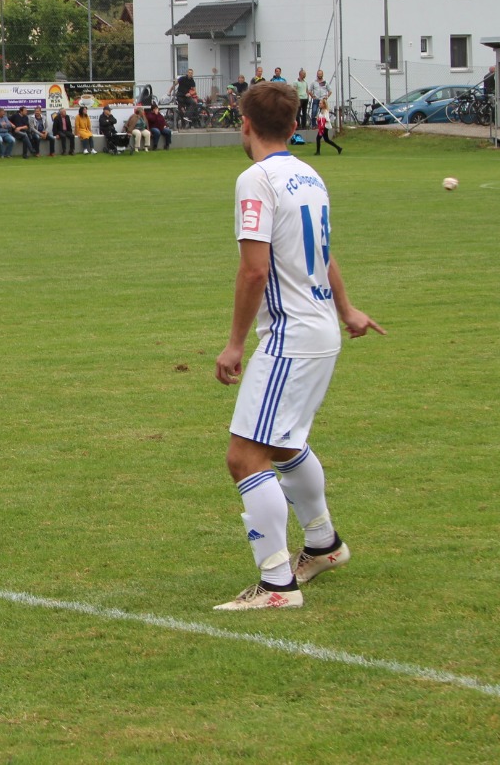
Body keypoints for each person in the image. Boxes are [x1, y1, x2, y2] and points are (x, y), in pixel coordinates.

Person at [212, 80, 384, 610]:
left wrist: (235, 344)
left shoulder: (256, 178)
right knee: (284, 443)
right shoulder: (309, 173)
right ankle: (324, 544)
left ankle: (277, 585)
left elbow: (254, 267)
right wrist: (346, 308)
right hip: (320, 333)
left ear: (245, 124)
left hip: (289, 336)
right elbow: (321, 252)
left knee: (244, 456)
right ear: (294, 126)